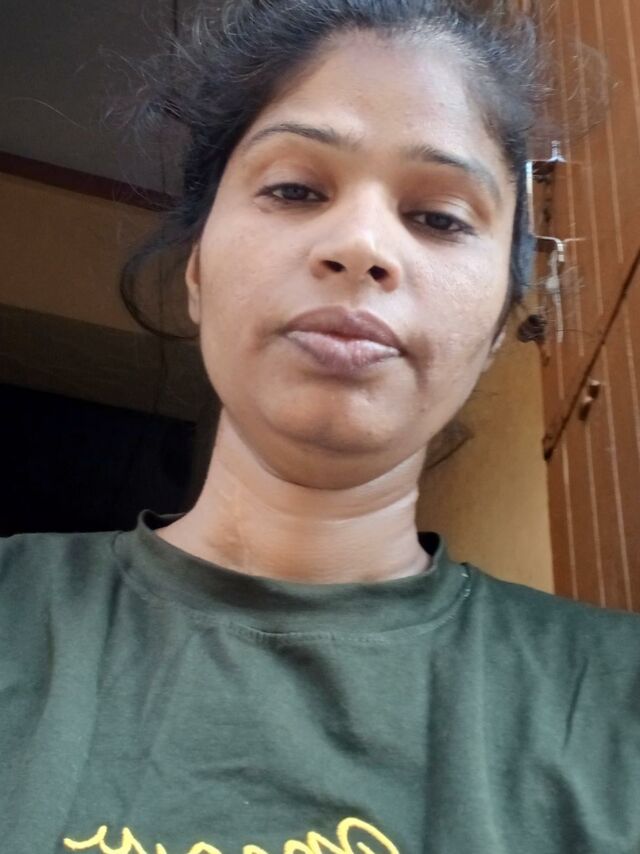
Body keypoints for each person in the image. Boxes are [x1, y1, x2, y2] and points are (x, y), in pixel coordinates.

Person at [2, 1, 639, 852]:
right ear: (197, 272)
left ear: (498, 328)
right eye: (295, 189)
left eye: (440, 217)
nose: (362, 244)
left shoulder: (617, 705)